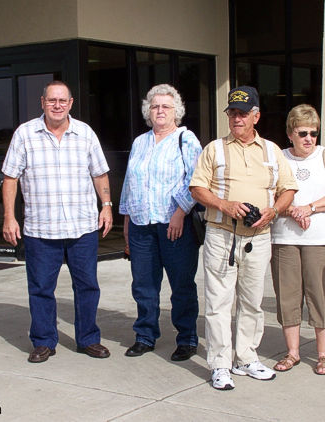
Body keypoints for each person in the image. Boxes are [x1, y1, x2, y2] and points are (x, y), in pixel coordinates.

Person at [189, 86, 297, 390]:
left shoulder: (272, 151)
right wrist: (225, 205)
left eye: (243, 113)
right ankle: (220, 365)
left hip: (258, 237)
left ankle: (246, 358)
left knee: (252, 302)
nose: (236, 118)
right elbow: (197, 188)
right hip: (222, 236)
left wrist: (273, 211)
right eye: (232, 112)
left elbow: (288, 189)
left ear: (256, 116)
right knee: (218, 302)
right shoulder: (214, 149)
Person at [2, 80, 113, 363]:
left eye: (62, 101)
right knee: (40, 289)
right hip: (41, 228)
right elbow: (10, 178)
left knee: (87, 286)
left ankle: (88, 339)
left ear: (71, 103)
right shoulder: (25, 134)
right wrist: (9, 217)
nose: (57, 105)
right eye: (52, 100)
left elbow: (100, 174)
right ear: (42, 102)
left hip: (82, 226)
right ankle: (43, 341)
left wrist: (107, 206)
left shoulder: (85, 134)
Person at [119, 84, 202, 361]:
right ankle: (145, 335)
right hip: (142, 224)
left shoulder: (185, 139)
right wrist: (127, 223)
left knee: (181, 285)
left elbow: (196, 180)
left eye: (166, 106)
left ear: (176, 110)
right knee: (143, 285)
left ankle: (187, 338)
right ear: (148, 111)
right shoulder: (139, 142)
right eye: (155, 106)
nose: (160, 111)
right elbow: (130, 184)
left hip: (174, 224)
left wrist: (179, 213)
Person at [270, 104, 325, 375]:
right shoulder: (278, 157)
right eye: (302, 132)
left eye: (313, 133)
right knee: (287, 296)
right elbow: (269, 191)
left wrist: (310, 208)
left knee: (320, 296)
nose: (309, 139)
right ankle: (292, 353)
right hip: (284, 236)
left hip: (320, 238)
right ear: (290, 133)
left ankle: (323, 354)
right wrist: (292, 209)